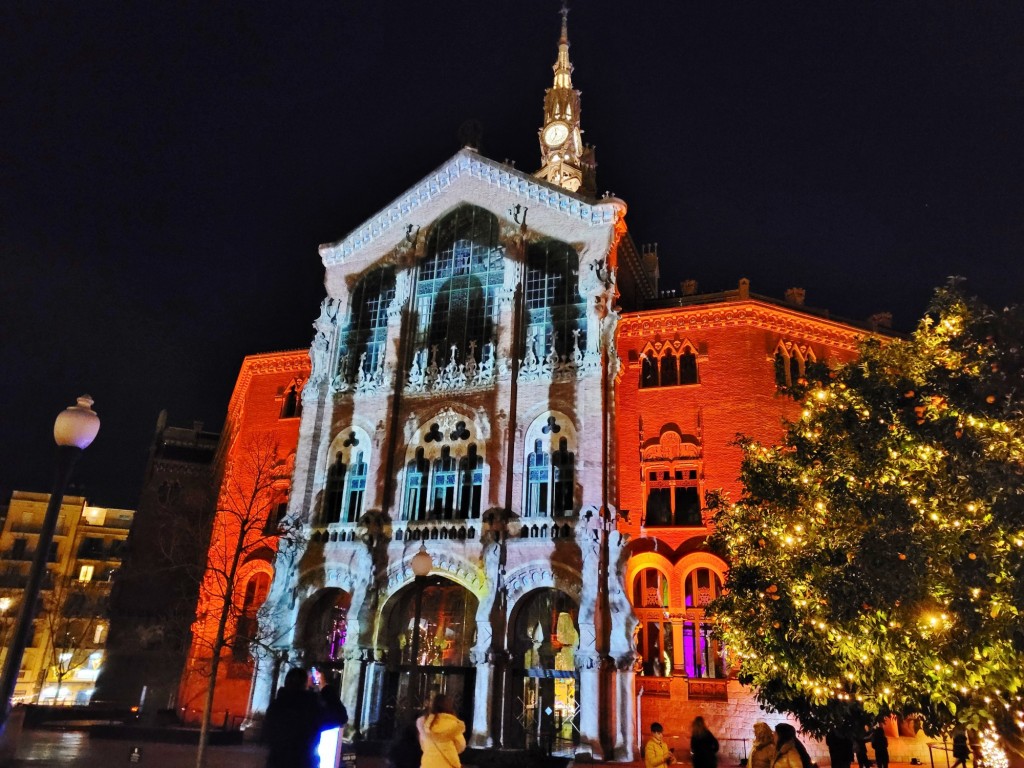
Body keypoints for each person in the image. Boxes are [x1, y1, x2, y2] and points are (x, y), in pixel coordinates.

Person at [264, 667, 324, 768]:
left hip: (278, 761)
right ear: (305, 684)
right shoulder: (312, 706)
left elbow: (267, 732)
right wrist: (324, 687)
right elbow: (340, 716)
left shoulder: (277, 704)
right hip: (304, 761)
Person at [417, 694, 466, 768]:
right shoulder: (453, 724)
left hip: (428, 764)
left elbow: (423, 745)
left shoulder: (427, 724)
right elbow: (461, 745)